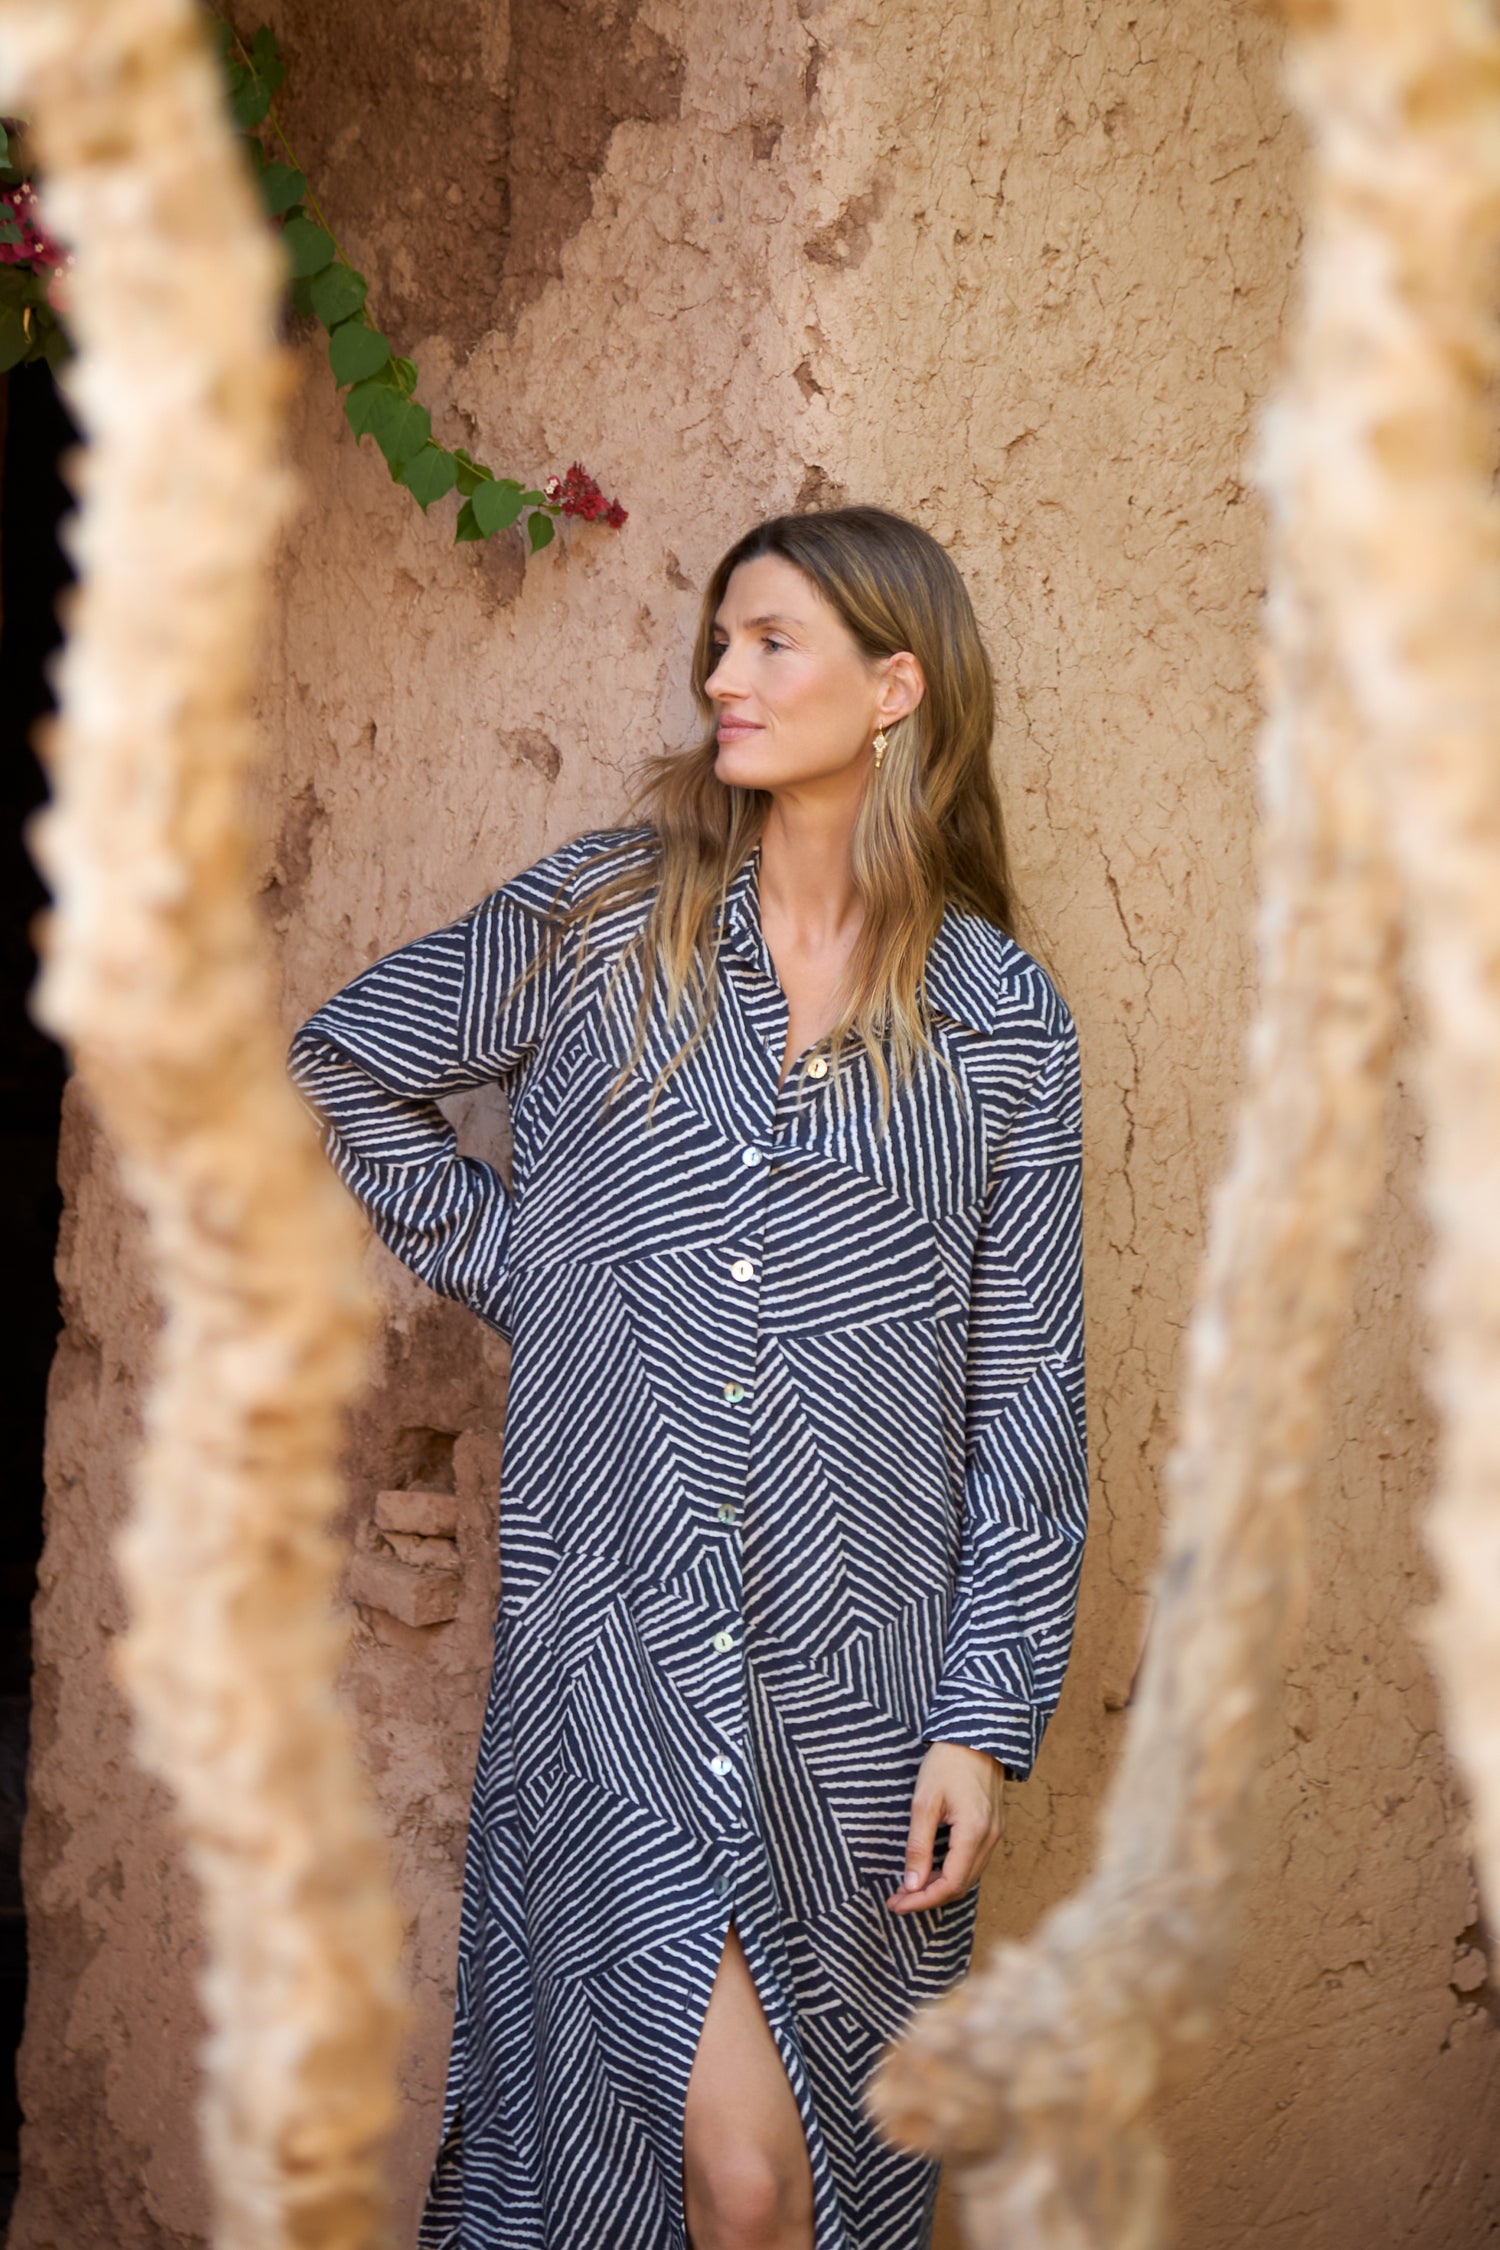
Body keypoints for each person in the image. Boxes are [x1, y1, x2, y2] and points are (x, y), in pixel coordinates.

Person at [287, 504, 1088, 2250]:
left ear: (897, 685)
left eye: (769, 642)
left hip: (856, 1709)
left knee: (810, 2191)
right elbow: (348, 1059)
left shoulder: (1003, 1025)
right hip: (615, 1656)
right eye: (717, 642)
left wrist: (984, 1719)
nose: (722, 677)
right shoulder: (603, 917)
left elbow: (1029, 1399)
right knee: (736, 2176)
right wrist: (537, 1269)